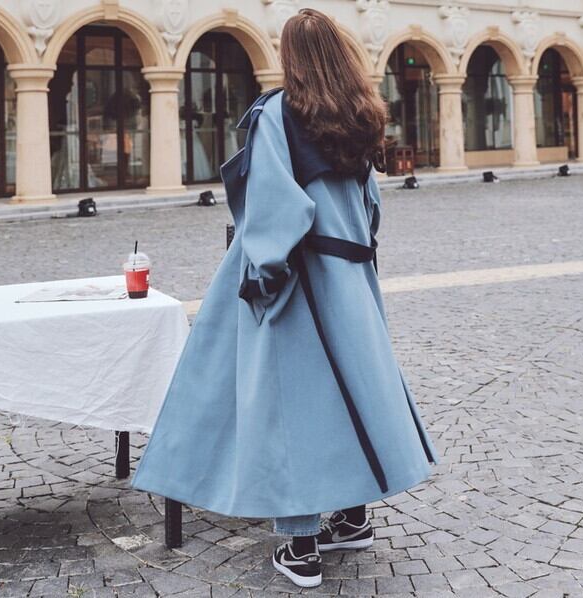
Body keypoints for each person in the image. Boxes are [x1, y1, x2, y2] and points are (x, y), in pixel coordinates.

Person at [131, 7, 439, 589]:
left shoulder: (278, 112)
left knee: (291, 406)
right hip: (351, 273)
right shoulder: (360, 113)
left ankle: (301, 546)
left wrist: (264, 277)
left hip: (298, 279)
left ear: (290, 55)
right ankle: (352, 517)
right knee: (349, 394)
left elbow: (274, 204)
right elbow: (371, 206)